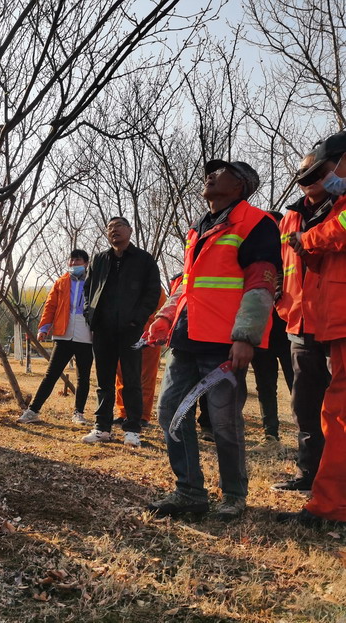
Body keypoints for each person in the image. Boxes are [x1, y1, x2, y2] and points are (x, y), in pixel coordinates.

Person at [146, 159, 280, 521]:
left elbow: (261, 283)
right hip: (186, 336)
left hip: (224, 342)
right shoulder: (199, 227)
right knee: (170, 412)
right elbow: (186, 284)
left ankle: (234, 495)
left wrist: (246, 336)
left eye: (221, 172)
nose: (210, 175)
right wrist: (164, 318)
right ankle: (189, 491)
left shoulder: (257, 223)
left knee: (224, 423)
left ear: (240, 186)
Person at [277, 139, 346, 527]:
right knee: (321, 409)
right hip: (310, 319)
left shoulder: (338, 209)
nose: (320, 178)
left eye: (324, 170)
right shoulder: (290, 218)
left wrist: (307, 241)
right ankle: (323, 493)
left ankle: (331, 503)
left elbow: (338, 232)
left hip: (335, 319)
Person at [81, 216, 161, 447]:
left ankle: (132, 429)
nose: (113, 230)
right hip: (103, 329)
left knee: (132, 379)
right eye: (109, 228)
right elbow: (88, 290)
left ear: (130, 230)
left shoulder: (144, 260)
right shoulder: (99, 259)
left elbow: (152, 293)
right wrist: (90, 314)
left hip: (131, 330)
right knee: (104, 381)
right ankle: (102, 427)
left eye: (118, 226)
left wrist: (137, 320)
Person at [19, 249, 93, 425]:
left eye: (78, 260)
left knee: (83, 377)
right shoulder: (61, 282)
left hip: (86, 335)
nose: (74, 263)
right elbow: (50, 306)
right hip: (63, 334)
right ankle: (33, 411)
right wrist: (44, 328)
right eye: (71, 260)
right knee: (51, 374)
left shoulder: (93, 282)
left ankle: (79, 413)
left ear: (86, 264)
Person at [114, 288, 167, 427]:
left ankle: (143, 415)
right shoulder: (123, 284)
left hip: (148, 337)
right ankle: (123, 413)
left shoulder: (157, 289)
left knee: (146, 377)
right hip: (124, 335)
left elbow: (161, 313)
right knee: (121, 375)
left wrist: (148, 330)